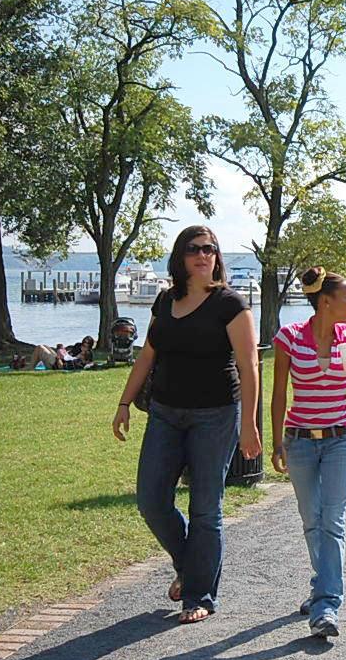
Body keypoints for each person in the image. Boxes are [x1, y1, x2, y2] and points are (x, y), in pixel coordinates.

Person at [112, 226, 261, 624]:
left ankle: (199, 595)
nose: (202, 255)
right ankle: (188, 564)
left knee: (206, 509)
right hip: (165, 412)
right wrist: (124, 402)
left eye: (209, 248)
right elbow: (147, 355)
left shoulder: (230, 304)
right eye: (194, 249)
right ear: (180, 257)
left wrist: (249, 425)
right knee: (151, 500)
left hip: (215, 416)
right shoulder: (165, 300)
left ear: (216, 256)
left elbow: (249, 366)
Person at [271, 266, 346, 639]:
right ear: (325, 301)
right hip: (299, 440)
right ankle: (322, 585)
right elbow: (280, 393)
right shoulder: (290, 338)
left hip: (339, 439)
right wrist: (276, 441)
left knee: (332, 519)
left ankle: (327, 605)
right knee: (311, 520)